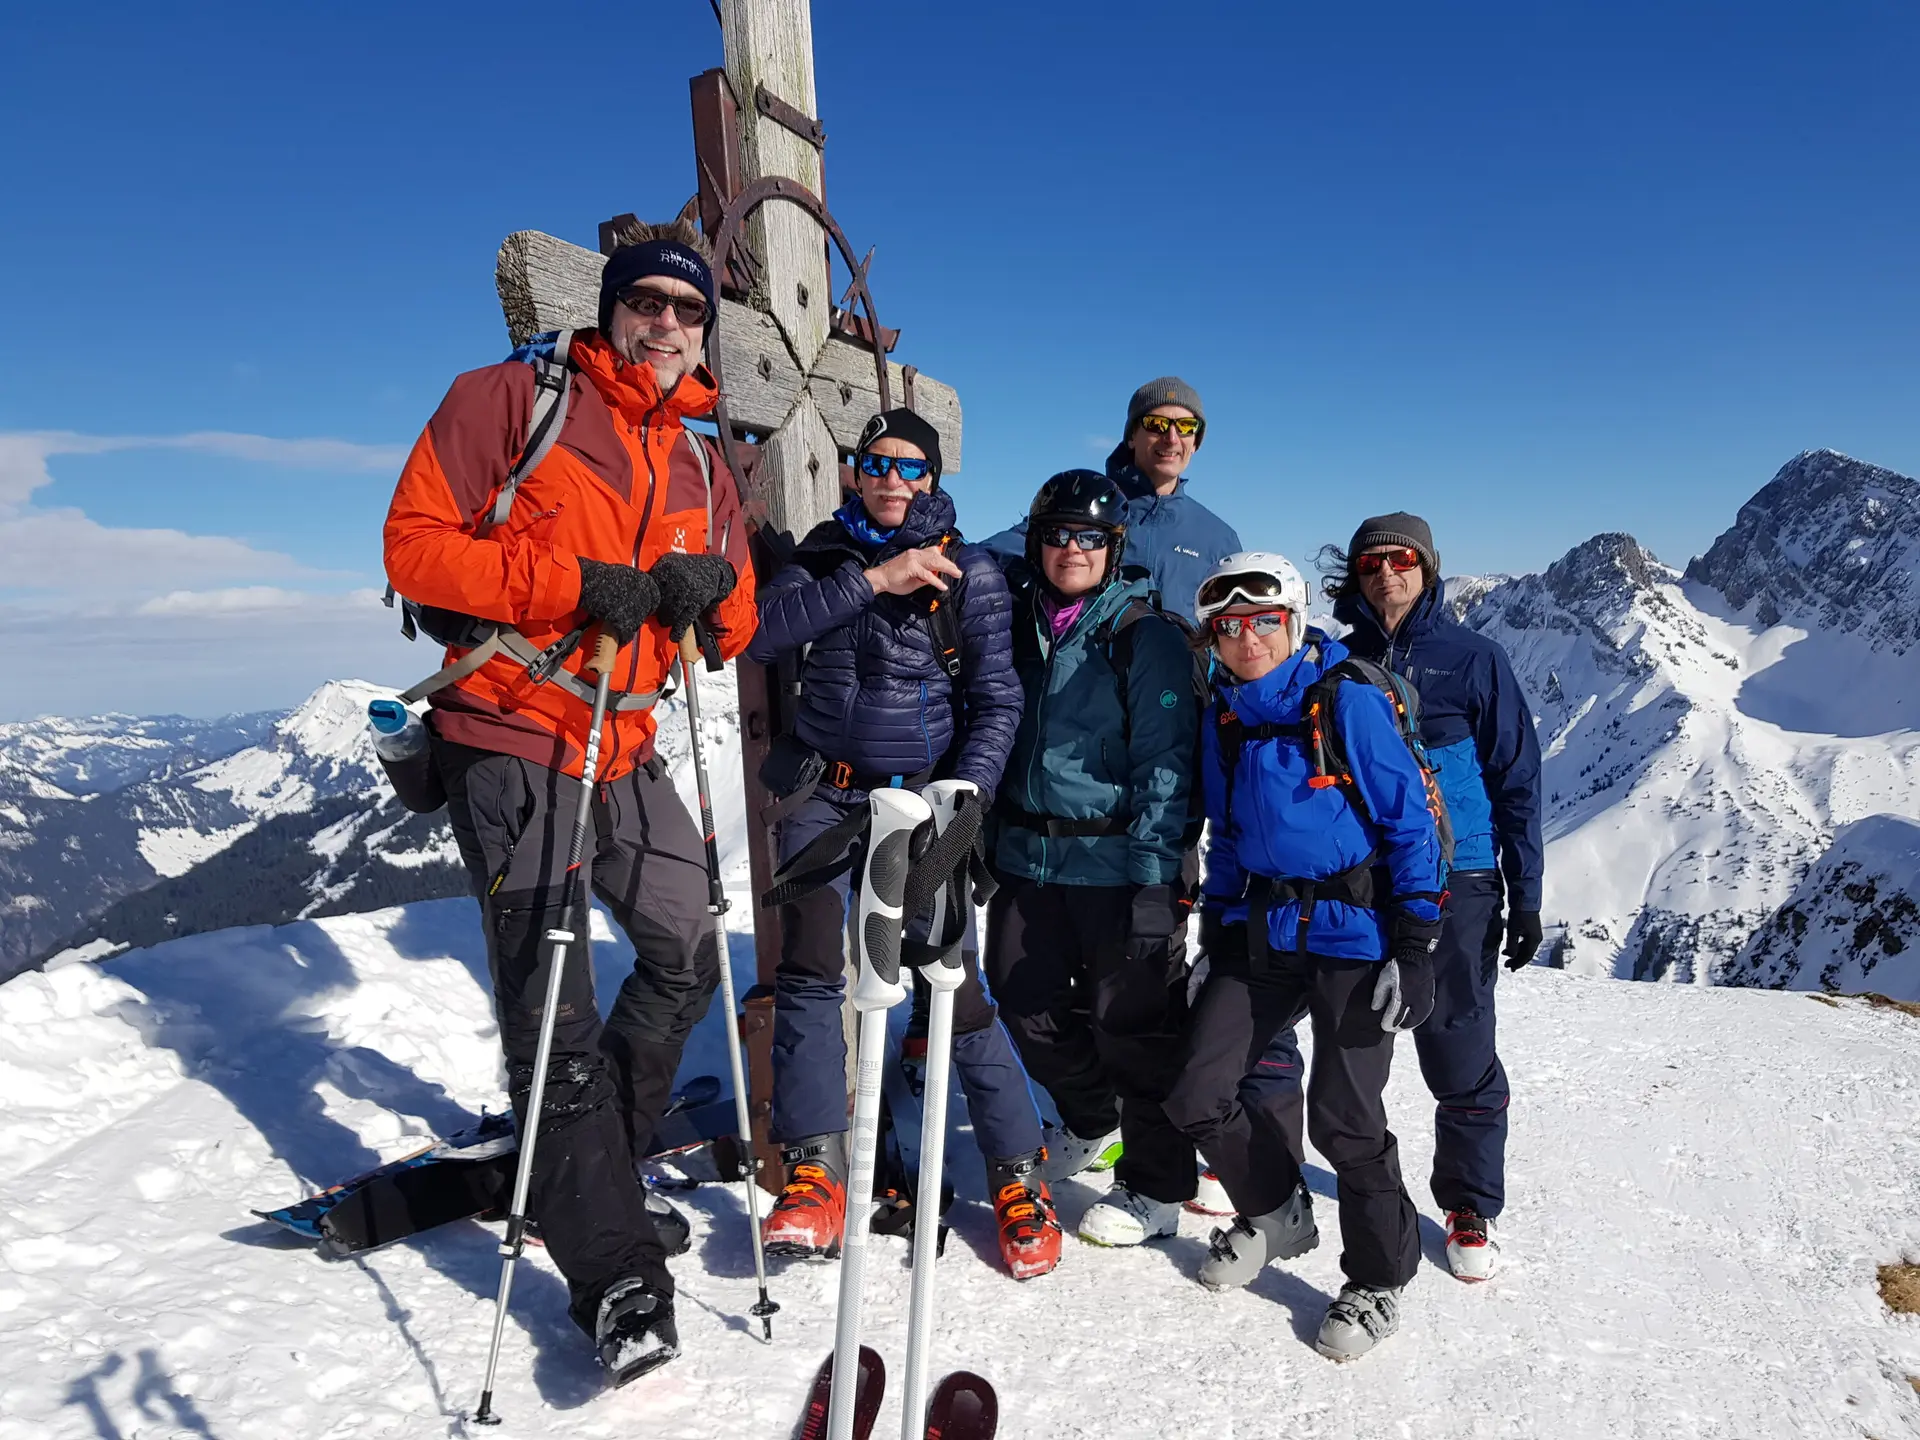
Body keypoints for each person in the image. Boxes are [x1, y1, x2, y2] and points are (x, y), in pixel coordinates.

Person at [382, 217, 756, 1379]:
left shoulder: (699, 449)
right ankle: (617, 1277)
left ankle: (594, 1168)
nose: (666, 325)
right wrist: (572, 583)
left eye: (688, 312)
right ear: (609, 309)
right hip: (512, 728)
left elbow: (733, 619)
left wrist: (707, 594)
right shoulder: (507, 400)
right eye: (647, 303)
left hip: (626, 737)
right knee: (555, 1016)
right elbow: (415, 549)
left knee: (688, 944)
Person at [744, 408, 1062, 1280]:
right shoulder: (823, 554)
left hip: (926, 806)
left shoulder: (975, 574)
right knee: (812, 968)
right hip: (823, 793)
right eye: (875, 462)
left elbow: (998, 700)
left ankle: (1018, 1175)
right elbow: (760, 633)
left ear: (934, 479)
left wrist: (967, 801)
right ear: (855, 469)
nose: (892, 479)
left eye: (910, 468)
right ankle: (815, 1170)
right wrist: (873, 581)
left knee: (950, 976)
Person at [1140, 552, 1445, 1360]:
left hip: (1356, 934)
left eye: (1263, 621)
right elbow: (1232, 835)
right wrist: (1219, 933)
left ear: (1295, 620)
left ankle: (1380, 1277)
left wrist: (1413, 946)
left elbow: (1410, 825)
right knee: (1197, 1089)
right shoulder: (1229, 715)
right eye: (1229, 627)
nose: (1247, 639)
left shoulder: (1345, 701)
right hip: (1265, 934)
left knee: (1346, 1122)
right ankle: (1278, 1211)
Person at [981, 471, 1203, 1246]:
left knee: (1132, 1027)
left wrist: (1156, 881)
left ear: (1113, 551)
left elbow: (1168, 767)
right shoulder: (1014, 625)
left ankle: (1157, 1185)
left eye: (1088, 537)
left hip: (1118, 864)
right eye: (1056, 534)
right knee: (1020, 998)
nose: (1070, 549)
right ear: (1036, 543)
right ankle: (1090, 1116)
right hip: (1029, 858)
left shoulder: (1144, 636)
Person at [1325, 512, 1543, 1280]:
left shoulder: (1473, 660)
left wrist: (1525, 891)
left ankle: (1470, 1204)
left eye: (1402, 559)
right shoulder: (1340, 663)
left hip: (1462, 880)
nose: (1387, 572)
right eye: (1371, 562)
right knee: (1352, 1046)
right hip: (1364, 884)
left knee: (1457, 1045)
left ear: (1427, 567)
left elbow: (1516, 779)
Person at [985, 377, 1240, 624]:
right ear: (1131, 437)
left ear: (1195, 442)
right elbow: (995, 550)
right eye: (1156, 424)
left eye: (1185, 426)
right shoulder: (1089, 506)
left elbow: (1238, 622)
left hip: (1177, 667)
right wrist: (949, 552)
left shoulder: (1218, 538)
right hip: (1082, 665)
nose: (1172, 438)